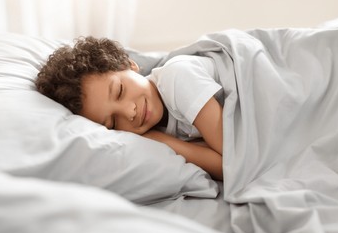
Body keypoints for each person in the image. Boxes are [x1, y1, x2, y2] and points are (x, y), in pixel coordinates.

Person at [36, 37, 224, 180]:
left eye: (119, 91)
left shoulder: (175, 77)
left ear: (130, 65)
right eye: (113, 122)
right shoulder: (155, 132)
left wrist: (165, 142)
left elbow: (233, 163)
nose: (129, 112)